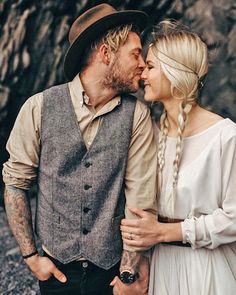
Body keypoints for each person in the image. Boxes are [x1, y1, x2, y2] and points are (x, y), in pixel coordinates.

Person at [2, 4, 158, 295]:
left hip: (111, 271)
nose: (143, 63)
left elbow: (140, 198)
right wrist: (31, 257)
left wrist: (127, 271)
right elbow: (15, 183)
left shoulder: (137, 115)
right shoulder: (38, 108)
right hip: (56, 270)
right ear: (106, 53)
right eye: (135, 53)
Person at [120, 20, 236, 295]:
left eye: (150, 66)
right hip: (162, 269)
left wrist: (165, 232)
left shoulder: (226, 136)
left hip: (207, 271)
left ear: (174, 72)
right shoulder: (151, 134)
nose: (142, 74)